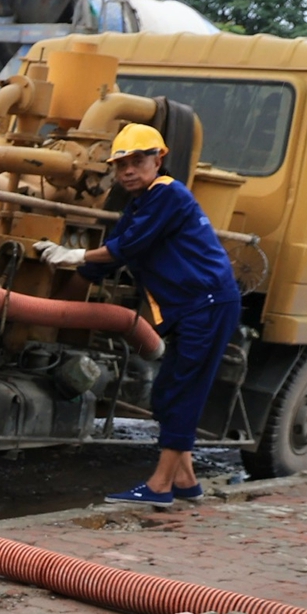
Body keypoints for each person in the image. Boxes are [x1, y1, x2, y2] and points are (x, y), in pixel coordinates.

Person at [37, 123, 243, 505]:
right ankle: (186, 483)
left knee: (182, 393)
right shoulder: (142, 203)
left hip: (207, 305)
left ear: (158, 160)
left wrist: (74, 253)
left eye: (138, 160)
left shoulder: (167, 194)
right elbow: (112, 252)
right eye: (121, 164)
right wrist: (64, 284)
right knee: (167, 395)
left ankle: (160, 487)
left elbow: (127, 247)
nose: (128, 170)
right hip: (194, 308)